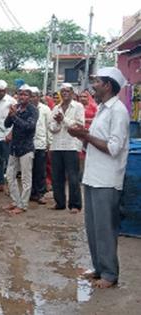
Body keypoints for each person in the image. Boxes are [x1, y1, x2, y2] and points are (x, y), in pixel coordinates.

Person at [68, 67, 129, 289]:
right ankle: (98, 268)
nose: (93, 86)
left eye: (97, 82)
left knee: (105, 228)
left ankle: (110, 274)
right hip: (93, 176)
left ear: (108, 86)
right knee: (93, 227)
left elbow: (113, 148)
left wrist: (86, 135)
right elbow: (93, 142)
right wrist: (81, 136)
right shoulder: (103, 108)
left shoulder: (118, 112)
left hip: (107, 178)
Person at [48, 83, 84, 213]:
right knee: (57, 176)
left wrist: (64, 120)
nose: (64, 93)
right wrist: (58, 122)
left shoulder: (78, 107)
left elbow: (79, 126)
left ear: (72, 93)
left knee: (73, 176)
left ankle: (75, 205)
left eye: (67, 91)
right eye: (62, 91)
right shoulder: (56, 108)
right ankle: (60, 202)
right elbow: (51, 128)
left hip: (72, 145)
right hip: (57, 145)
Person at [2, 84, 38, 215]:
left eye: (25, 94)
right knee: (10, 176)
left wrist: (14, 117)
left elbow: (29, 126)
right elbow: (6, 124)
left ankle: (23, 205)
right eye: (20, 94)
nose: (22, 96)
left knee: (25, 179)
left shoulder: (33, 110)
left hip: (26, 148)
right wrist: (10, 115)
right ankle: (15, 201)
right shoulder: (15, 108)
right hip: (14, 147)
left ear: (29, 97)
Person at [0, 80, 17, 192]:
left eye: (3, 91)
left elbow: (15, 119)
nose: (1, 92)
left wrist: (11, 133)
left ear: (6, 90)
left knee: (8, 161)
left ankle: (9, 184)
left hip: (7, 134)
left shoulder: (12, 101)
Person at [29, 86, 51, 204]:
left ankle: (41, 193)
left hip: (41, 144)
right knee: (29, 170)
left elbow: (49, 126)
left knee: (40, 170)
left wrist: (49, 143)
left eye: (34, 96)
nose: (32, 99)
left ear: (38, 97)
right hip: (28, 145)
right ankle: (31, 193)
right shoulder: (26, 109)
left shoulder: (45, 109)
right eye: (30, 96)